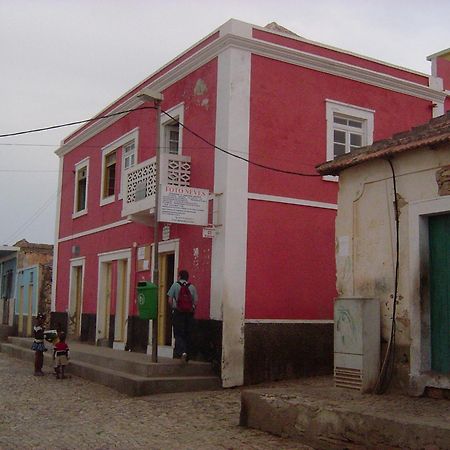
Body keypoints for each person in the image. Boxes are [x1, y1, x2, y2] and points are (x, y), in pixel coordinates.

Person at [167, 270, 198, 362]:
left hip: (178, 313)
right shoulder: (192, 287)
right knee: (187, 333)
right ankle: (188, 354)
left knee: (178, 333)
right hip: (189, 314)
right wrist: (191, 308)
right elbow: (195, 301)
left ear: (179, 276)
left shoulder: (175, 285)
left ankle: (182, 352)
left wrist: (174, 308)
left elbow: (169, 300)